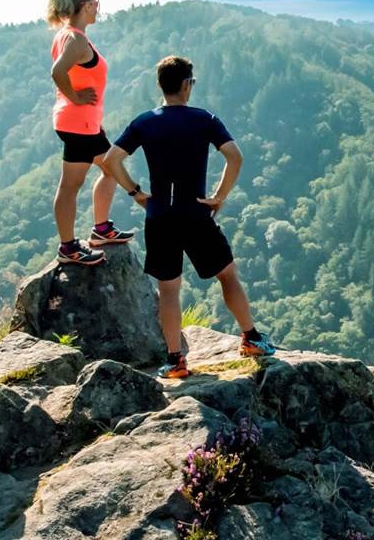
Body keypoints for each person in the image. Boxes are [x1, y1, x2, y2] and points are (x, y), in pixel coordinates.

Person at [101, 55, 277, 377]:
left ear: (161, 86)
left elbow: (112, 161)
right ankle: (251, 338)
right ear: (186, 85)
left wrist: (137, 193)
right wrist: (218, 198)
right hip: (195, 213)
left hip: (160, 217)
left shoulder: (144, 121)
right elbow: (235, 157)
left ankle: (175, 360)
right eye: (191, 82)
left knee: (169, 290)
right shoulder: (204, 119)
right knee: (227, 275)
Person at [47, 0, 134, 266]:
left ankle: (101, 229)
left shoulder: (68, 35)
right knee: (71, 185)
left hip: (83, 123)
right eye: (97, 3)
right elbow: (57, 72)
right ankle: (69, 248)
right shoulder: (77, 39)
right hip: (78, 123)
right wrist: (75, 96)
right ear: (87, 6)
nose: (99, 9)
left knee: (110, 169)